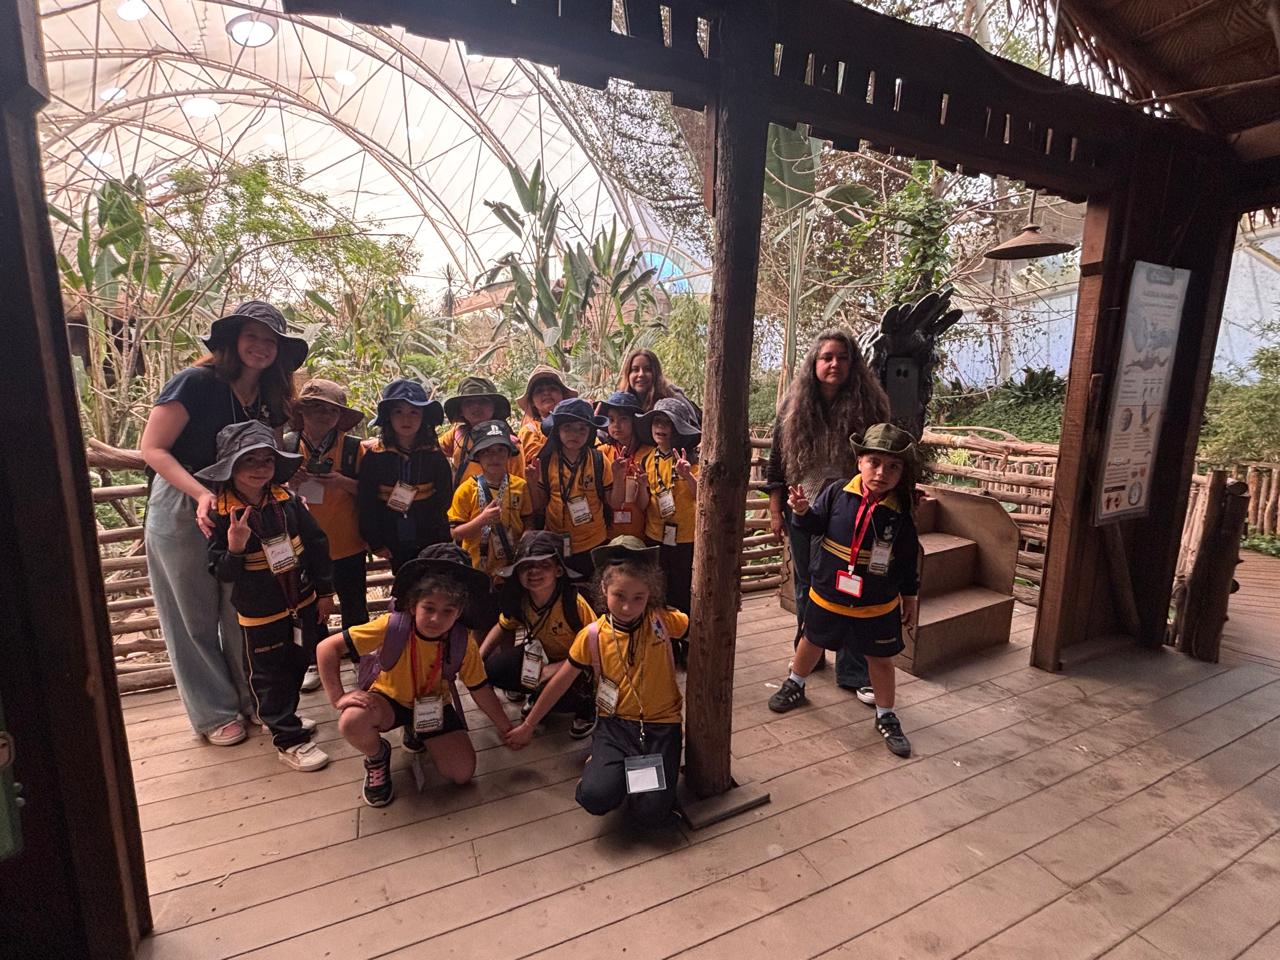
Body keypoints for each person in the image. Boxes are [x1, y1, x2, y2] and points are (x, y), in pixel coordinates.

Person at [140, 300, 307, 746]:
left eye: (271, 340)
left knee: (244, 605)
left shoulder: (270, 399)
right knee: (191, 613)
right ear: (232, 340)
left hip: (244, 505)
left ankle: (257, 699)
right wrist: (201, 493)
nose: (261, 346)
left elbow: (270, 457)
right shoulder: (196, 383)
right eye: (252, 336)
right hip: (184, 502)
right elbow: (152, 448)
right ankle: (214, 711)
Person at [315, 543, 518, 807]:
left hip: (434, 704)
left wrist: (506, 728)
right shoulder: (392, 627)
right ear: (413, 606)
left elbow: (479, 688)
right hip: (388, 700)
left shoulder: (462, 642)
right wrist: (338, 697)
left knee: (461, 773)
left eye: (448, 611)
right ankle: (376, 756)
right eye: (429, 608)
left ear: (459, 612)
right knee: (352, 720)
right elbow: (326, 648)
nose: (436, 618)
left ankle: (417, 730)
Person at [506, 536, 686, 827]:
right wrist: (528, 725)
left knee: (650, 813)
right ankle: (601, 764)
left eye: (638, 597)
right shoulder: (592, 636)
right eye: (619, 596)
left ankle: (634, 773)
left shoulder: (662, 620)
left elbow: (700, 625)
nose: (627, 607)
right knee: (595, 797)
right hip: (615, 725)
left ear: (650, 594)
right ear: (604, 589)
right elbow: (560, 682)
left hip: (661, 724)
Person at [767, 424, 919, 759]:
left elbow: (908, 558)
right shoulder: (837, 492)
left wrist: (909, 595)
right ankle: (795, 683)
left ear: (902, 472)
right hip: (829, 591)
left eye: (893, 466)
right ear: (859, 461)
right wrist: (802, 512)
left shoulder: (901, 510)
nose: (881, 473)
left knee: (880, 658)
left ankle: (886, 714)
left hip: (876, 601)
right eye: (874, 462)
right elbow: (814, 526)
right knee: (811, 639)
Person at [201, 422, 335, 770]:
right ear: (231, 466)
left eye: (267, 460)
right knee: (267, 674)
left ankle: (283, 717)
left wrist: (324, 591)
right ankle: (288, 739)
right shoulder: (221, 514)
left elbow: (317, 544)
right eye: (249, 460)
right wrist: (235, 547)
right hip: (260, 609)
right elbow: (222, 572)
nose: (260, 468)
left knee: (298, 660)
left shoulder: (287, 501)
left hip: (301, 598)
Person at [766, 329, 891, 691]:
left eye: (842, 357)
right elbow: (776, 463)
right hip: (802, 509)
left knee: (850, 587)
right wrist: (775, 510)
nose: (835, 364)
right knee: (807, 585)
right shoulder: (792, 408)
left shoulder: (870, 408)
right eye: (827, 357)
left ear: (853, 364)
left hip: (850, 513)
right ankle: (809, 653)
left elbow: (884, 458)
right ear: (815, 363)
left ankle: (852, 671)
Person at [284, 379, 368, 692]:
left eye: (331, 410)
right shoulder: (287, 446)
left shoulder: (353, 448)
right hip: (303, 545)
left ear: (340, 416)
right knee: (309, 608)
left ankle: (360, 658)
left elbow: (370, 491)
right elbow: (270, 490)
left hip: (348, 541)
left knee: (354, 604)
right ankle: (315, 662)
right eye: (316, 407)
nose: (324, 414)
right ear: (301, 412)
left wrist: (341, 481)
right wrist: (289, 483)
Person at [481, 531, 598, 738]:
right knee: (493, 669)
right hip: (542, 656)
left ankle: (586, 707)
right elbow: (503, 625)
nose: (534, 571)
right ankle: (540, 695)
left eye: (544, 564)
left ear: (558, 570)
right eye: (525, 566)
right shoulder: (522, 599)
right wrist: (478, 661)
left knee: (563, 694)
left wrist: (558, 668)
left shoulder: (574, 603)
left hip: (579, 665)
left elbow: (597, 649)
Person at [357, 379, 453, 573]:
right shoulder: (375, 456)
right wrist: (375, 541)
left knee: (432, 579)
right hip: (392, 533)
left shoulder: (434, 455)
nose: (406, 419)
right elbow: (366, 502)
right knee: (404, 579)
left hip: (431, 536)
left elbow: (445, 498)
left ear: (423, 417)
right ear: (388, 417)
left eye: (414, 412)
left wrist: (441, 536)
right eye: (398, 412)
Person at [635, 397, 700, 642]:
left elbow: (702, 497)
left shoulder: (691, 459)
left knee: (682, 590)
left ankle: (685, 639)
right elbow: (643, 504)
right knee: (658, 592)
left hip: (685, 538)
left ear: (678, 429)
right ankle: (663, 642)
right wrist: (642, 485)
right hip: (655, 536)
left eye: (667, 423)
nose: (660, 427)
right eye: (657, 422)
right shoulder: (646, 459)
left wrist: (687, 475)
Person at [530, 398, 618, 579]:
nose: (574, 434)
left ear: (590, 432)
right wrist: (531, 482)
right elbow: (539, 504)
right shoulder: (546, 462)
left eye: (582, 429)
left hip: (594, 541)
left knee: (593, 589)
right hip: (556, 542)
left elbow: (614, 502)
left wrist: (619, 477)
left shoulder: (599, 460)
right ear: (557, 430)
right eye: (567, 428)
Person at [448, 420, 533, 577]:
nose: (494, 457)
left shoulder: (520, 486)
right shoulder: (466, 490)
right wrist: (482, 520)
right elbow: (456, 533)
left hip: (512, 566)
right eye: (487, 451)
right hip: (477, 568)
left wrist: (525, 538)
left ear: (509, 454)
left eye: (501, 450)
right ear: (478, 456)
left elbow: (528, 520)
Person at [440, 376, 526, 487]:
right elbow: (432, 448)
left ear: (494, 407)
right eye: (469, 402)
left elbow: (519, 488)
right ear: (461, 410)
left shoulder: (510, 444)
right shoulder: (457, 434)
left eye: (483, 401)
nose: (476, 406)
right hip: (461, 497)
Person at [595, 391, 653, 541]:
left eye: (623, 418)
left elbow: (644, 505)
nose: (616, 425)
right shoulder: (602, 454)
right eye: (611, 419)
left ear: (635, 421)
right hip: (608, 534)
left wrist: (642, 486)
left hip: (640, 532)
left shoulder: (648, 454)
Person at [516, 366, 576, 469]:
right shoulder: (530, 430)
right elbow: (536, 460)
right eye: (539, 391)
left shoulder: (577, 425)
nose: (546, 393)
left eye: (552, 389)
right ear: (532, 402)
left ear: (563, 396)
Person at [616, 348, 699, 416]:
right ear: (628, 374)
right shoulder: (621, 403)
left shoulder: (674, 399)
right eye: (635, 370)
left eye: (648, 369)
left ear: (656, 373)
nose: (641, 374)